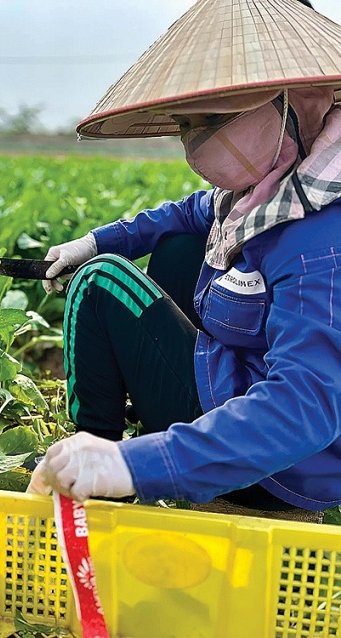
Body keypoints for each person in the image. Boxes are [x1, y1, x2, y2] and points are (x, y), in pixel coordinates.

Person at [28, 0, 341, 512]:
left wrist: (134, 464)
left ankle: (94, 461)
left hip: (279, 468)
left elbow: (303, 410)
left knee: (101, 284)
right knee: (178, 249)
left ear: (293, 101)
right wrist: (96, 241)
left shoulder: (322, 239)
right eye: (188, 123)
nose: (197, 143)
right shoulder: (275, 189)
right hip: (244, 388)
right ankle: (105, 457)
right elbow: (189, 213)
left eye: (213, 118)